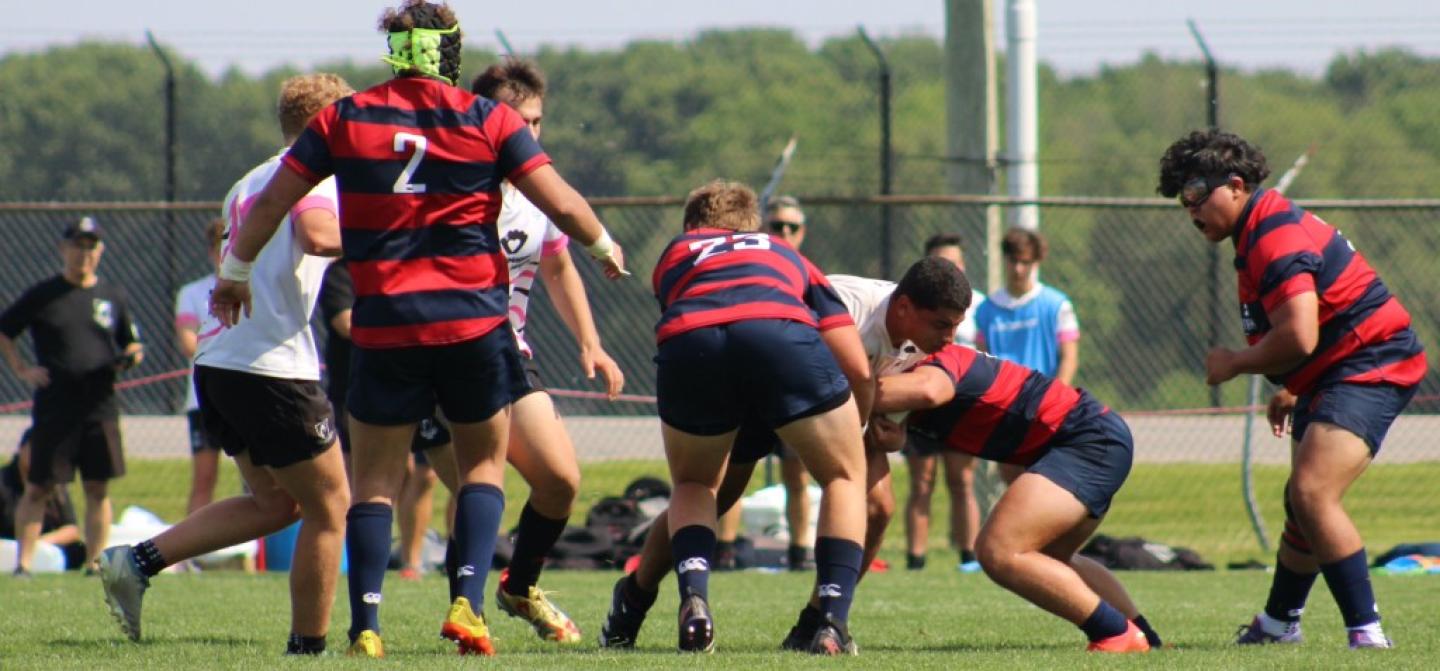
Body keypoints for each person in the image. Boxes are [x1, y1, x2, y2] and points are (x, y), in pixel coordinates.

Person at [208, 1, 626, 658]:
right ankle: (469, 602)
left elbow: (272, 202)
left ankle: (366, 625)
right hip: (473, 324)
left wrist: (233, 270)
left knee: (374, 480)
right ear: (451, 53)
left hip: (385, 326)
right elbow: (564, 204)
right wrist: (603, 246)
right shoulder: (488, 118)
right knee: (483, 466)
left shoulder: (345, 118)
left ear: (394, 54)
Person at [97, 73, 354, 656]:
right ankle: (308, 649)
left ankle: (136, 562)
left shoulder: (249, 179)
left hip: (220, 363)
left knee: (275, 503)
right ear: (329, 126)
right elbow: (317, 235)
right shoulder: (314, 174)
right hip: (272, 366)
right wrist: (391, 232)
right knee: (330, 506)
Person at [600, 254, 971, 653]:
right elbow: (794, 353)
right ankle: (635, 596)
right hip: (765, 385)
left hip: (834, 406)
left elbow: (894, 394)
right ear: (903, 308)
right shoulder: (847, 304)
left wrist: (893, 426)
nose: (950, 337)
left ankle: (820, 622)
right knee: (715, 493)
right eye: (942, 325)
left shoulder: (926, 340)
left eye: (955, 326)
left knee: (877, 506)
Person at [1158, 129, 1426, 650]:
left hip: (1371, 361)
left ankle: (1367, 635)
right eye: (1181, 200)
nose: (1189, 209)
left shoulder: (1272, 235)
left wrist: (1234, 363)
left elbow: (1299, 334)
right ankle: (1280, 623)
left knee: (1313, 493)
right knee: (1300, 500)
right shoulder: (1259, 228)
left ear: (1235, 185)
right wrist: (1294, 386)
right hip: (1338, 367)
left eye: (1195, 193)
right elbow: (1313, 326)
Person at [647, 179, 870, 655]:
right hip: (780, 334)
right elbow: (852, 361)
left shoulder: (677, 252)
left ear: (693, 226)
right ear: (755, 224)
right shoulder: (783, 251)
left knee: (694, 485)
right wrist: (858, 425)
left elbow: (690, 318)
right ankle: (831, 622)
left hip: (693, 339)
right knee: (844, 476)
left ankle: (695, 599)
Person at [470, 58, 625, 644]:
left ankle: (519, 585)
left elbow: (558, 264)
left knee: (560, 480)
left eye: (537, 123)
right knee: (473, 485)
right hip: (442, 349)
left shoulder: (539, 191)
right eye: (518, 122)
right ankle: (464, 614)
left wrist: (592, 344)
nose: (529, 135)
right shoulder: (458, 183)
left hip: (508, 351)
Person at [871, 341, 1156, 653]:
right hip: (1091, 435)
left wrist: (833, 387)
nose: (949, 333)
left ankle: (1116, 634)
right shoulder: (907, 370)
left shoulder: (942, 360)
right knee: (1048, 558)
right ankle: (1147, 639)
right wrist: (899, 432)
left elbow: (923, 389)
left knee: (999, 551)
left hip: (1085, 438)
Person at [1, 216, 143, 576]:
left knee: (97, 486)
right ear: (63, 249)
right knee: (38, 486)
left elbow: (131, 342)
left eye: (90, 246)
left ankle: (96, 563)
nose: (83, 253)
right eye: (77, 245)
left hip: (100, 404)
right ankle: (24, 565)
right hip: (55, 406)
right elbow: (5, 330)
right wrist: (21, 369)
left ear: (100, 251)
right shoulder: (43, 294)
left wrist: (131, 356)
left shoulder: (112, 296)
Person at [902, 233, 986, 572]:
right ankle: (916, 558)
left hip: (961, 402)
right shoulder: (915, 304)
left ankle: (969, 557)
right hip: (923, 399)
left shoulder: (980, 305)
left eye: (955, 263)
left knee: (962, 480)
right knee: (921, 483)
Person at [173, 218, 225, 514]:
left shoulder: (257, 289)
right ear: (210, 251)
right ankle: (190, 557)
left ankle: (257, 556)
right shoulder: (192, 293)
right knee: (204, 478)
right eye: (220, 248)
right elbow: (188, 342)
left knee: (259, 480)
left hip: (247, 396)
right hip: (203, 399)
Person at [1, 430, 86, 570]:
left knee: (77, 549)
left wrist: (38, 543)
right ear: (21, 450)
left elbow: (71, 529)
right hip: (7, 545)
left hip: (44, 545)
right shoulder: (4, 482)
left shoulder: (55, 485)